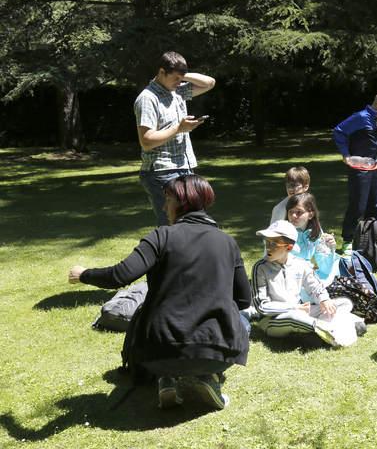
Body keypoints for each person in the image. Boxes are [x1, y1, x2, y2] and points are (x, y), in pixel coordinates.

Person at [68, 175, 248, 411]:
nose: (164, 207)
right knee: (242, 320)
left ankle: (167, 379)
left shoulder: (161, 236)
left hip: (157, 352)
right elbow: (243, 299)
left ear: (183, 202)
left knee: (149, 313)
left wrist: (83, 274)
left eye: (168, 200)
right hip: (213, 351)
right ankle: (209, 376)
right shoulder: (227, 242)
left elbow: (120, 275)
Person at [245, 220, 358, 347]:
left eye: (274, 244)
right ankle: (329, 332)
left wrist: (324, 300)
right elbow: (262, 306)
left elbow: (315, 286)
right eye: (267, 242)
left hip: (300, 311)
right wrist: (294, 308)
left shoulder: (300, 264)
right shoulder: (260, 268)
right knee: (294, 317)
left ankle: (313, 330)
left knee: (343, 303)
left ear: (289, 247)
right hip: (272, 319)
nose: (268, 247)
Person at [135, 51, 216, 226]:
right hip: (162, 171)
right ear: (162, 72)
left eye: (182, 78)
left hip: (184, 167)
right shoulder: (148, 99)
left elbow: (210, 83)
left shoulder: (177, 90)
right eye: (176, 78)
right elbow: (146, 141)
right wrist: (179, 129)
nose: (180, 82)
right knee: (171, 227)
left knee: (190, 223)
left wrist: (183, 74)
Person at [333, 90, 377, 255]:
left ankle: (372, 238)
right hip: (359, 169)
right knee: (358, 205)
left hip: (373, 167)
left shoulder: (373, 119)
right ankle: (348, 240)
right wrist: (346, 154)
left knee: (375, 204)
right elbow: (339, 131)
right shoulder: (361, 117)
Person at [285, 192, 339, 287]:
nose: (293, 216)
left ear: (310, 215)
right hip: (286, 275)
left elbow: (325, 269)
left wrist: (331, 249)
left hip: (305, 274)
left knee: (332, 272)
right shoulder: (283, 231)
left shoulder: (315, 232)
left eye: (299, 212)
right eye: (290, 212)